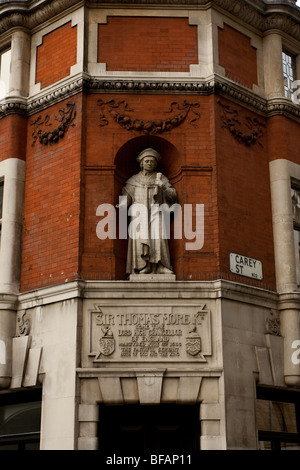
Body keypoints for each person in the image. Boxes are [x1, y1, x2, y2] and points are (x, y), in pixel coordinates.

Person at [118, 148, 177, 275]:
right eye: (147, 161)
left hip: (156, 212)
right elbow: (127, 196)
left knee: (159, 237)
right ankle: (143, 266)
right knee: (141, 238)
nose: (150, 163)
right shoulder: (133, 180)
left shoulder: (161, 178)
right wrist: (122, 204)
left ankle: (161, 266)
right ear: (142, 163)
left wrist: (162, 185)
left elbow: (173, 196)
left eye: (152, 161)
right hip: (139, 214)